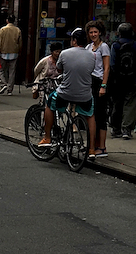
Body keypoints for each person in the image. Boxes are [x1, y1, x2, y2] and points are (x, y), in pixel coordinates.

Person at [39, 28, 96, 159]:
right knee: (90, 115)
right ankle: (92, 149)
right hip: (85, 94)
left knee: (50, 104)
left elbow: (59, 69)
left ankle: (47, 137)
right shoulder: (92, 55)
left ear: (74, 41)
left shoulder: (64, 53)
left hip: (66, 92)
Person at [109, 23, 136, 141]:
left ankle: (116, 128)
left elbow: (112, 64)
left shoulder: (115, 46)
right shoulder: (135, 46)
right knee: (130, 105)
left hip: (118, 80)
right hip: (132, 79)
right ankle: (126, 129)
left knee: (117, 104)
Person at [85, 20, 110, 156]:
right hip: (90, 82)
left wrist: (103, 85)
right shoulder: (89, 47)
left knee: (101, 115)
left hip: (99, 82)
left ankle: (102, 146)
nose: (93, 34)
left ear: (100, 32)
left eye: (95, 32)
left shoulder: (104, 47)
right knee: (91, 114)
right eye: (91, 32)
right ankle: (92, 145)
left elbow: (106, 68)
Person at [0, 14, 22, 95]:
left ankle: (3, 83)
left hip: (3, 52)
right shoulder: (17, 30)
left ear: (7, 20)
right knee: (12, 72)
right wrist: (19, 50)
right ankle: (9, 89)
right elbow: (20, 42)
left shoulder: (3, 29)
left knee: (0, 70)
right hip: (14, 52)